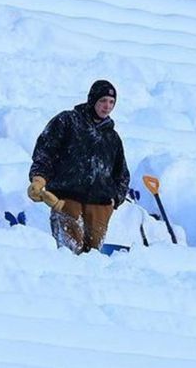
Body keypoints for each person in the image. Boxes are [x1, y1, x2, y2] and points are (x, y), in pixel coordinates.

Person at [28, 80, 130, 254]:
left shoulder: (112, 138)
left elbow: (121, 174)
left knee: (93, 258)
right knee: (69, 253)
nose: (107, 106)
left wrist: (114, 200)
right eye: (103, 101)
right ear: (92, 100)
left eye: (111, 102)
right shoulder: (68, 121)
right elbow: (46, 151)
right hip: (65, 200)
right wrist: (39, 178)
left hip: (100, 206)